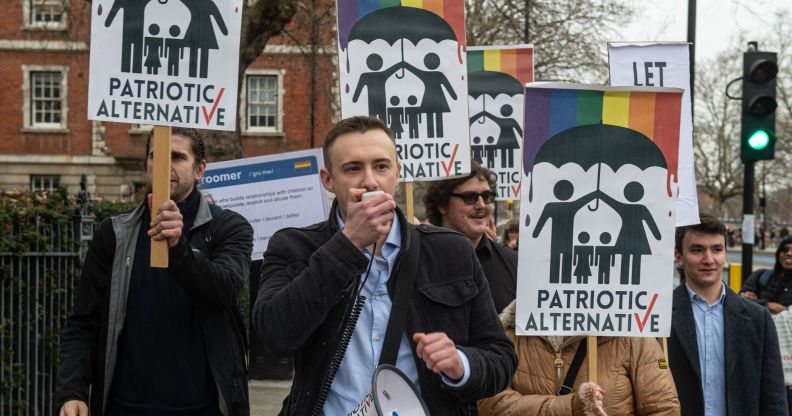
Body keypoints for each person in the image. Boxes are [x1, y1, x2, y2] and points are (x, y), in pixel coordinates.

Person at [252, 116, 516, 415]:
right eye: (353, 168)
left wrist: (461, 364)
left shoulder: (449, 250)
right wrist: (347, 245)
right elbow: (275, 335)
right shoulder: (294, 246)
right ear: (328, 179)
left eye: (381, 166)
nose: (370, 181)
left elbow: (501, 359)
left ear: (397, 172)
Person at [54, 128, 254, 416]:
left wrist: (177, 248)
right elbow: (83, 322)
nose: (163, 165)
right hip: (124, 407)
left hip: (204, 407)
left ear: (199, 170)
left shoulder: (229, 228)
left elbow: (224, 290)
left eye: (176, 157)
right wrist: (72, 391)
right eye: (155, 156)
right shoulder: (113, 234)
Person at [669, 213, 788, 416]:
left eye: (716, 249)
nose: (709, 259)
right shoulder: (658, 315)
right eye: (697, 250)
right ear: (678, 256)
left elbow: (774, 399)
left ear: (725, 254)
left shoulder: (758, 319)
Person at [477, 300, 680, 415]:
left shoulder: (634, 336)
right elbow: (490, 406)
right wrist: (570, 407)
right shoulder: (510, 334)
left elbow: (662, 409)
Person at [423, 161, 517, 313]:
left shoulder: (514, 264)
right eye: (469, 197)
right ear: (442, 204)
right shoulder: (417, 262)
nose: (481, 205)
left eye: (487, 196)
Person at [740, 235, 792, 314]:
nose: (789, 253)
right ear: (778, 253)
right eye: (785, 250)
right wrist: (768, 305)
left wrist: (756, 302)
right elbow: (741, 301)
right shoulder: (761, 275)